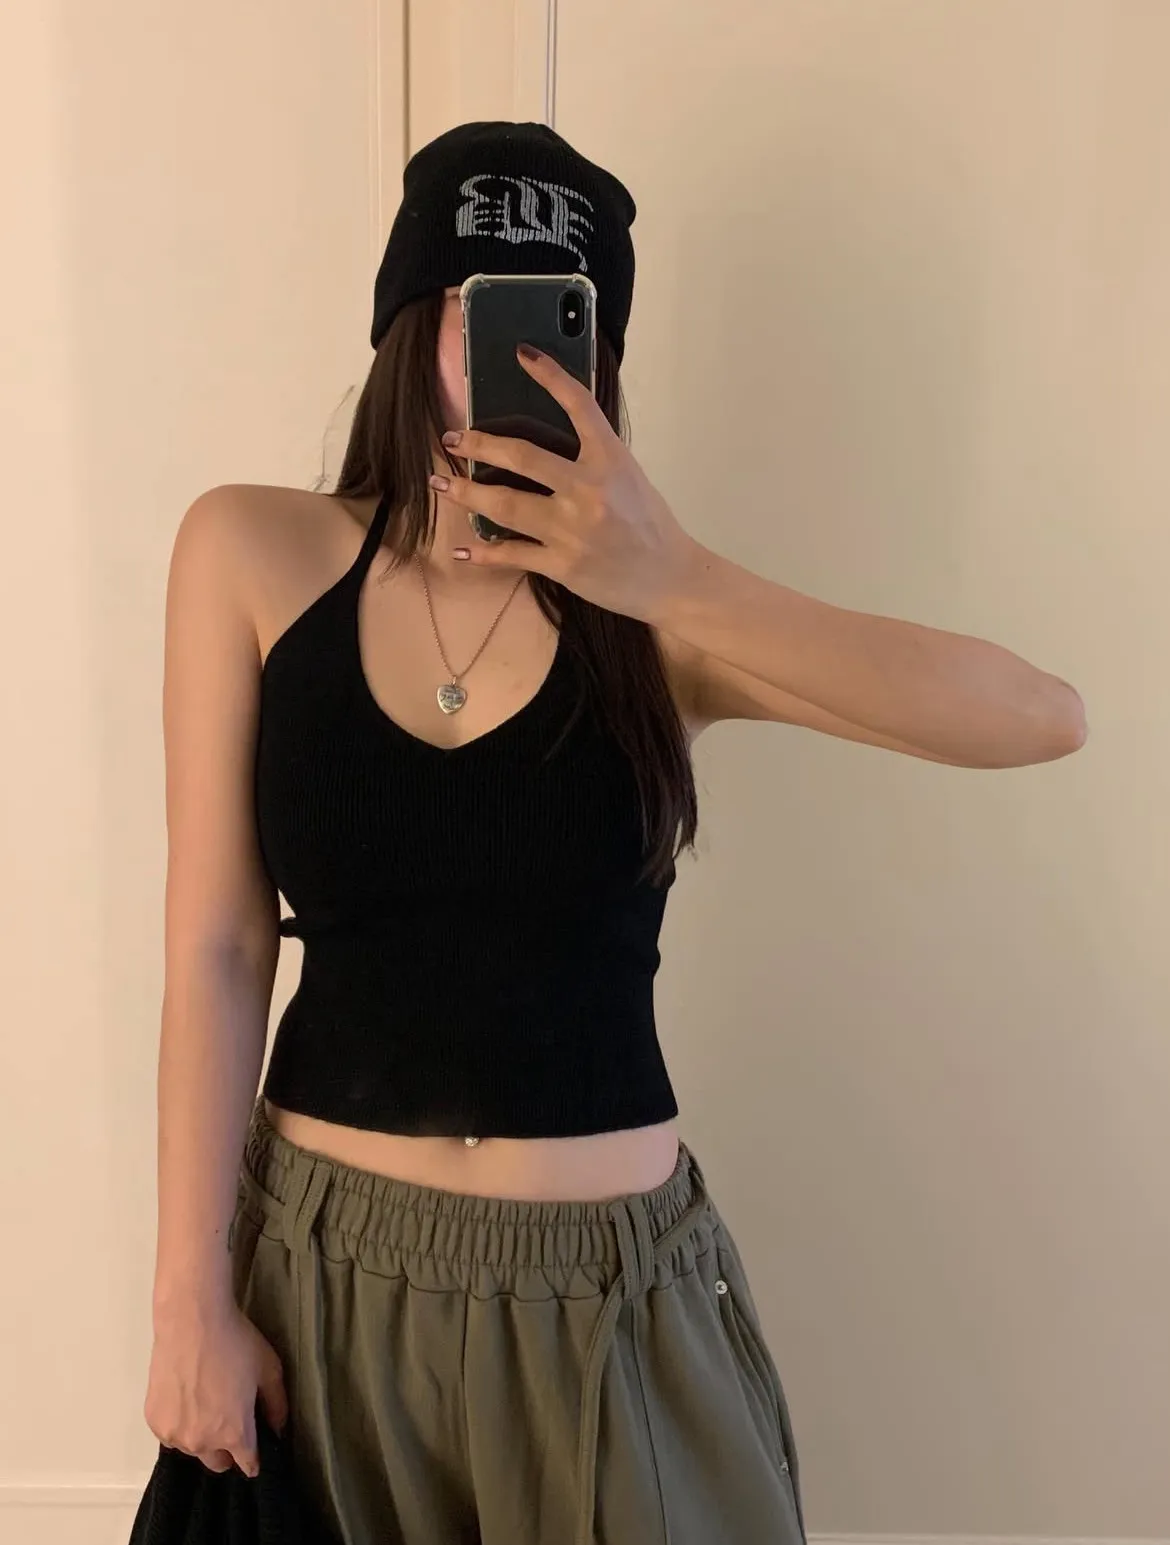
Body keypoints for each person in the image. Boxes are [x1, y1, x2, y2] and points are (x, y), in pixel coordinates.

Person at [144, 120, 1087, 1545]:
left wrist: (676, 576)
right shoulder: (252, 553)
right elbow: (218, 949)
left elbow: (1037, 717)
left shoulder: (659, 624)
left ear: (602, 359)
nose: (518, 361)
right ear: (409, 324)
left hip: (603, 1306)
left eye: (559, 322)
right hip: (318, 1280)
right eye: (481, 310)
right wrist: (186, 1299)